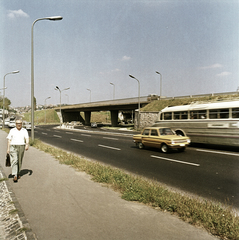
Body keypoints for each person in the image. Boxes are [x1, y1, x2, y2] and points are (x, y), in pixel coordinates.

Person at [7, 118, 29, 182]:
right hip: (13, 146)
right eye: (17, 123)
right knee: (14, 160)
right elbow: (9, 139)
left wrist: (27, 144)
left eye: (20, 123)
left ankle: (18, 172)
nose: (19, 125)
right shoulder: (12, 130)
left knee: (19, 160)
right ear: (15, 124)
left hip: (21, 146)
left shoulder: (24, 130)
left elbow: (27, 138)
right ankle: (15, 175)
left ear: (21, 124)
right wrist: (8, 148)